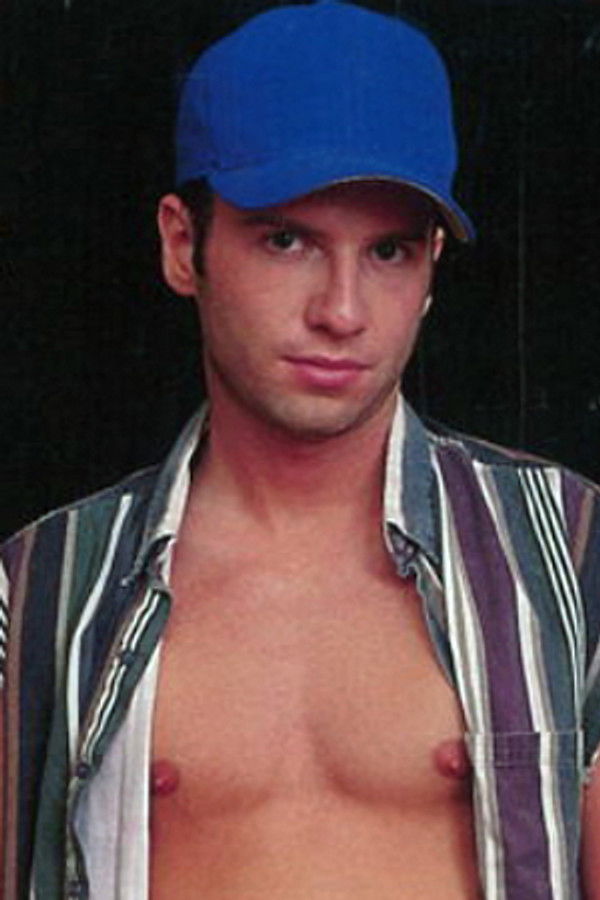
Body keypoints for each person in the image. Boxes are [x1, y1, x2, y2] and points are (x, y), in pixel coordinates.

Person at [1, 1, 599, 897]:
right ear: (182, 245)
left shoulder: (570, 549)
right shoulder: (44, 585)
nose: (343, 311)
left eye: (389, 252)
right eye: (287, 241)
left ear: (433, 264)